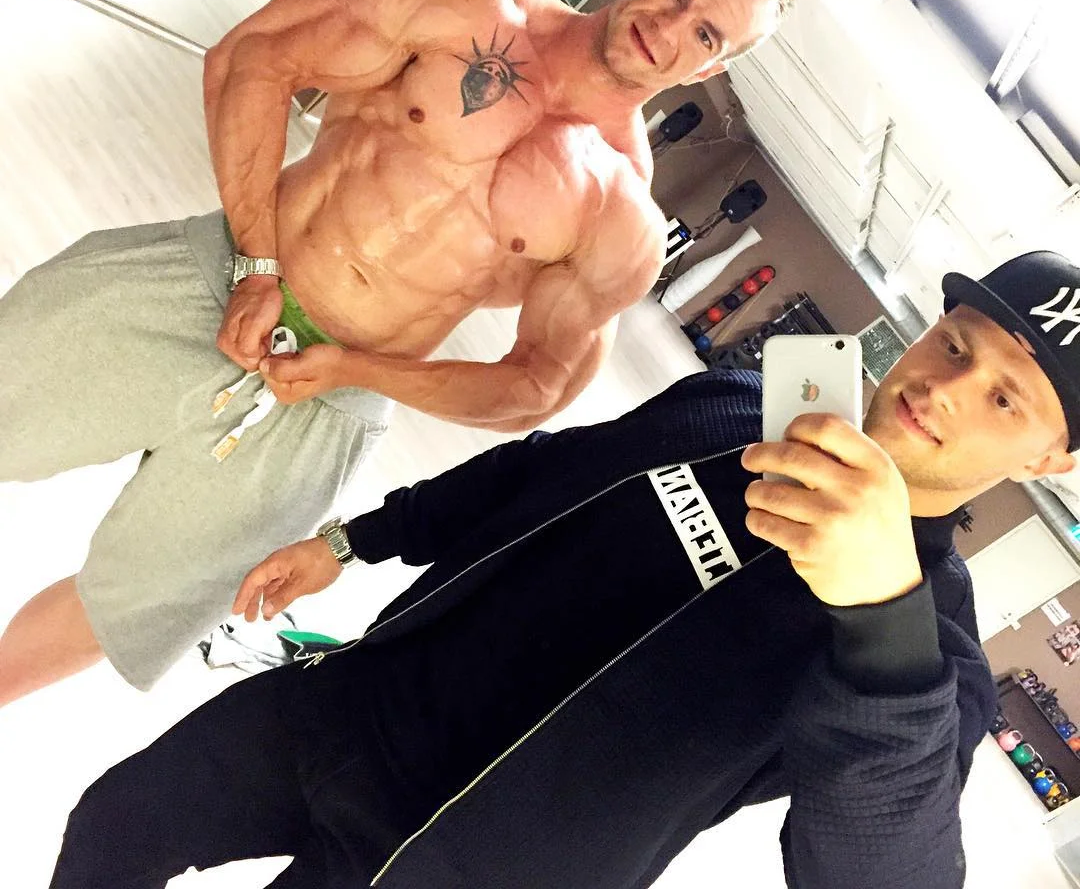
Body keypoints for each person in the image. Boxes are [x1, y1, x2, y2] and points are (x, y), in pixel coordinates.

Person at [49, 249, 1080, 888]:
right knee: (112, 825)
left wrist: (882, 617)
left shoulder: (927, 652)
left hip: (468, 867)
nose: (947, 390)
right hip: (354, 707)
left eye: (1006, 400)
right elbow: (545, 469)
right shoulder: (742, 406)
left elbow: (882, 871)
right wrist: (355, 540)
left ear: (1049, 459)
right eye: (958, 346)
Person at [0, 0, 793, 704]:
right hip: (220, 274)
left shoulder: (620, 217)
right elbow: (257, 57)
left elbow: (535, 387)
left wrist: (355, 369)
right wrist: (256, 264)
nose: (669, 26)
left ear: (712, 66)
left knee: (126, 609)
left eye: (705, 33)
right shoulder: (461, 2)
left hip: (321, 412)